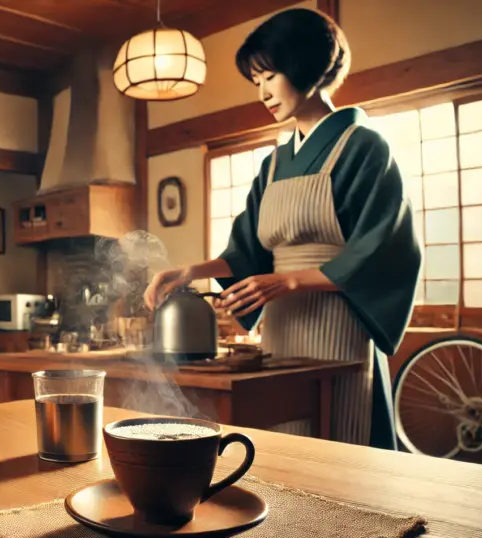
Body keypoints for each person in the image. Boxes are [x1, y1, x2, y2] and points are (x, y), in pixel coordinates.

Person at [143, 8, 422, 450]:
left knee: (340, 442)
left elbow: (379, 248)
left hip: (339, 327)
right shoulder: (273, 165)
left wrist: (289, 279)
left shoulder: (364, 146)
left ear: (305, 64)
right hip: (283, 329)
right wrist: (190, 272)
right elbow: (247, 252)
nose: (263, 93)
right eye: (256, 82)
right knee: (288, 443)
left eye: (269, 76)